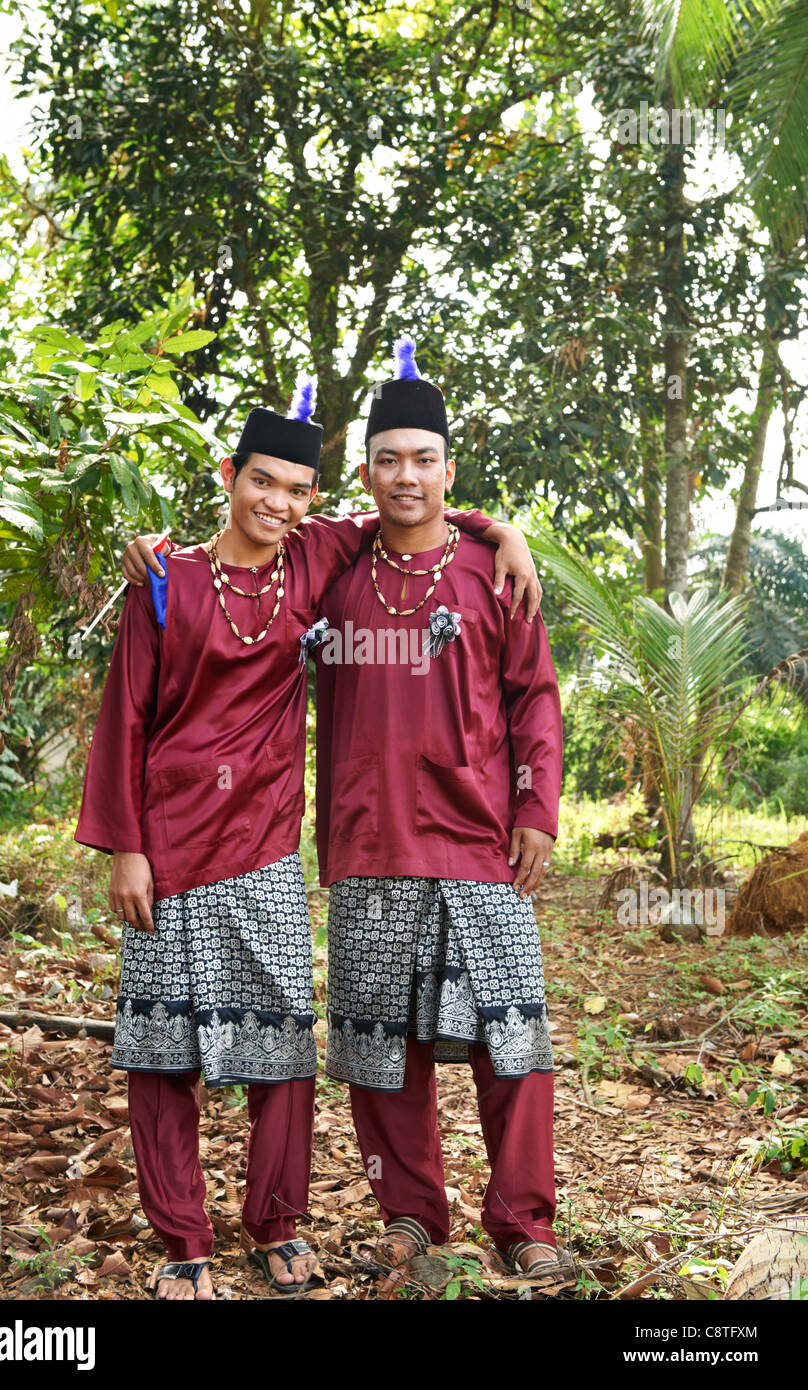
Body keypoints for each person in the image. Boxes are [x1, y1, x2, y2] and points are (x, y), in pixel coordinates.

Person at [81, 376, 540, 1300]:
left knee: (285, 1050)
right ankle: (184, 1241)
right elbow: (123, 721)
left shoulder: (312, 558)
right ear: (230, 475)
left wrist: (502, 530)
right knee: (164, 1052)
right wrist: (126, 846)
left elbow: (416, 510)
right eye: (263, 482)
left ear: (314, 501)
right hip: (170, 845)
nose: (277, 503)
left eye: (297, 490)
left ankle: (277, 1223)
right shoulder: (166, 582)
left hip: (266, 847)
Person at [313, 336, 573, 1282]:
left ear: (448, 468)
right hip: (369, 836)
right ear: (368, 468)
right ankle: (413, 1212)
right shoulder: (334, 570)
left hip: (475, 841)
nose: (407, 476)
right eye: (390, 459)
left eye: (425, 460)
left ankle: (523, 1221)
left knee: (513, 1037)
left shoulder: (493, 571)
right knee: (381, 1050)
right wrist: (154, 562)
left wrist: (536, 808)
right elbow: (247, 555)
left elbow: (534, 696)